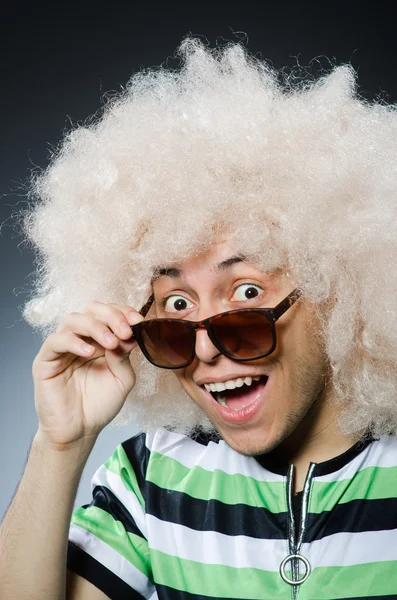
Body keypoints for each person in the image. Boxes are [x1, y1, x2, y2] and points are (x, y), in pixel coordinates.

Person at [1, 38, 397, 600]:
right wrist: (60, 446)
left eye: (246, 291)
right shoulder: (152, 477)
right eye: (178, 307)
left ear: (336, 291)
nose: (206, 348)